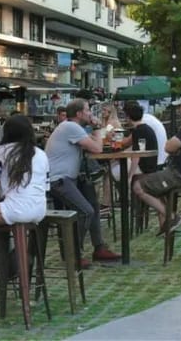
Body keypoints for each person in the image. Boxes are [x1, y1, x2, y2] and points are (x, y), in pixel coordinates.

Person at [46, 98, 120, 263]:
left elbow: (93, 143)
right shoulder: (71, 126)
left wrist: (96, 130)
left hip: (69, 178)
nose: (90, 113)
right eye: (87, 110)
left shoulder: (73, 127)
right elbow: (97, 148)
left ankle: (99, 247)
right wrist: (98, 127)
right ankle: (72, 253)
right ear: (79, 114)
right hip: (59, 180)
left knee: (92, 201)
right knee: (86, 211)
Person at [132, 91, 181, 236]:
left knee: (138, 187)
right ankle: (166, 224)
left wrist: (176, 149)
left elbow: (168, 147)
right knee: (157, 185)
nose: (178, 110)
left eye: (180, 106)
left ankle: (173, 217)